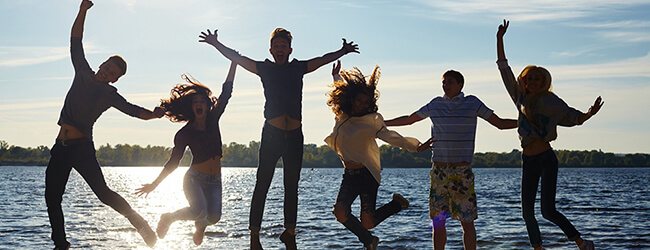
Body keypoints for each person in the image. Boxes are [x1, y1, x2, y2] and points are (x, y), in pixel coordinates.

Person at [199, 28, 359, 249]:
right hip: (271, 135)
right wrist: (216, 43)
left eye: (284, 46)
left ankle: (290, 232)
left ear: (290, 49)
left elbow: (321, 60)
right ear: (271, 50)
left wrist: (342, 51)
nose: (280, 49)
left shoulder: (298, 68)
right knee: (262, 184)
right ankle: (254, 236)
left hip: (294, 136)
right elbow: (237, 58)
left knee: (291, 186)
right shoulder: (264, 68)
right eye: (277, 46)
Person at [45, 1, 164, 249]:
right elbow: (75, 41)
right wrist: (82, 10)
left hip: (81, 148)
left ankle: (140, 224)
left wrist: (154, 115)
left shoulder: (109, 94)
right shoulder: (82, 72)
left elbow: (132, 110)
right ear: (101, 64)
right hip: (60, 147)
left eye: (112, 73)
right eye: (107, 67)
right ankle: (60, 244)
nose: (107, 72)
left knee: (103, 194)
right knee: (52, 197)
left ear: (115, 79)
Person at [496, 19, 602, 250]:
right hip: (528, 159)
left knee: (548, 211)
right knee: (527, 213)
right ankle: (538, 248)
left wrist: (589, 114)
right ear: (523, 80)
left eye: (537, 78)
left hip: (546, 159)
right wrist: (500, 39)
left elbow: (573, 118)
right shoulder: (519, 97)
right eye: (529, 78)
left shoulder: (550, 101)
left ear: (544, 82)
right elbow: (504, 68)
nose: (532, 81)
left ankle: (582, 243)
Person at [384, 68, 517, 249]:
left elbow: (500, 124)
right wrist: (381, 123)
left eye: (450, 82)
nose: (445, 85)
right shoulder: (435, 104)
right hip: (438, 171)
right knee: (438, 223)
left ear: (460, 85)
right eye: (444, 82)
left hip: (461, 172)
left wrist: (526, 122)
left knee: (467, 222)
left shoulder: (472, 103)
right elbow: (409, 119)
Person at [325, 61, 434, 250]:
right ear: (351, 99)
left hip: (367, 175)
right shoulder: (342, 115)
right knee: (340, 213)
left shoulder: (371, 122)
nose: (362, 105)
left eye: (366, 102)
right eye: (359, 100)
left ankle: (396, 205)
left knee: (367, 222)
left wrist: (417, 147)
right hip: (349, 176)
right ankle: (369, 240)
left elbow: (393, 138)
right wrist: (336, 78)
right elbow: (342, 90)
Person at [135, 61, 237, 246]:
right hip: (194, 178)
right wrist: (154, 184)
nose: (198, 104)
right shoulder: (184, 133)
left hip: (215, 179)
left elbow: (227, 93)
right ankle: (169, 217)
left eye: (202, 102)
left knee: (214, 217)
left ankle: (200, 227)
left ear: (207, 105)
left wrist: (234, 63)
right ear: (192, 107)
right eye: (195, 102)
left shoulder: (214, 119)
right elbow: (173, 163)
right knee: (198, 210)